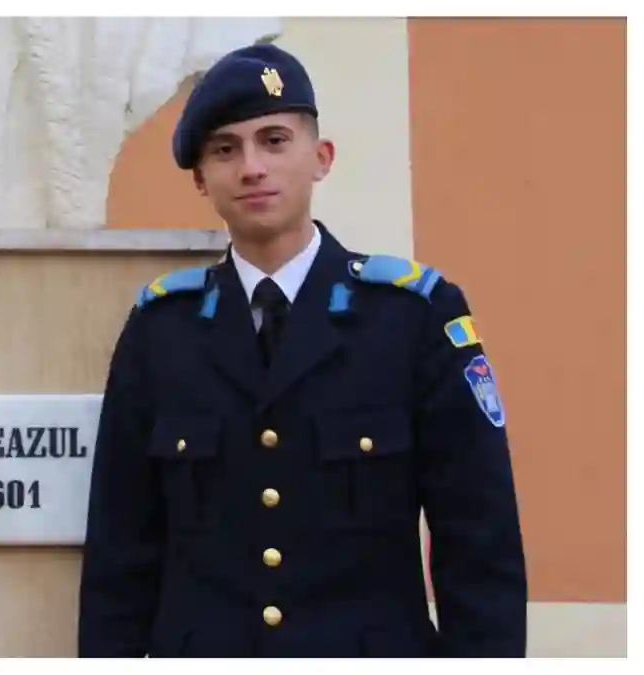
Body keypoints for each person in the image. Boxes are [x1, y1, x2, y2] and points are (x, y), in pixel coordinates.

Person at [76, 43, 527, 658]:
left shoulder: (413, 318)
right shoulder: (161, 331)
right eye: (225, 150)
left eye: (274, 141)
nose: (252, 167)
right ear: (201, 179)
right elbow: (120, 551)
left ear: (321, 158)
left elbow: (479, 541)